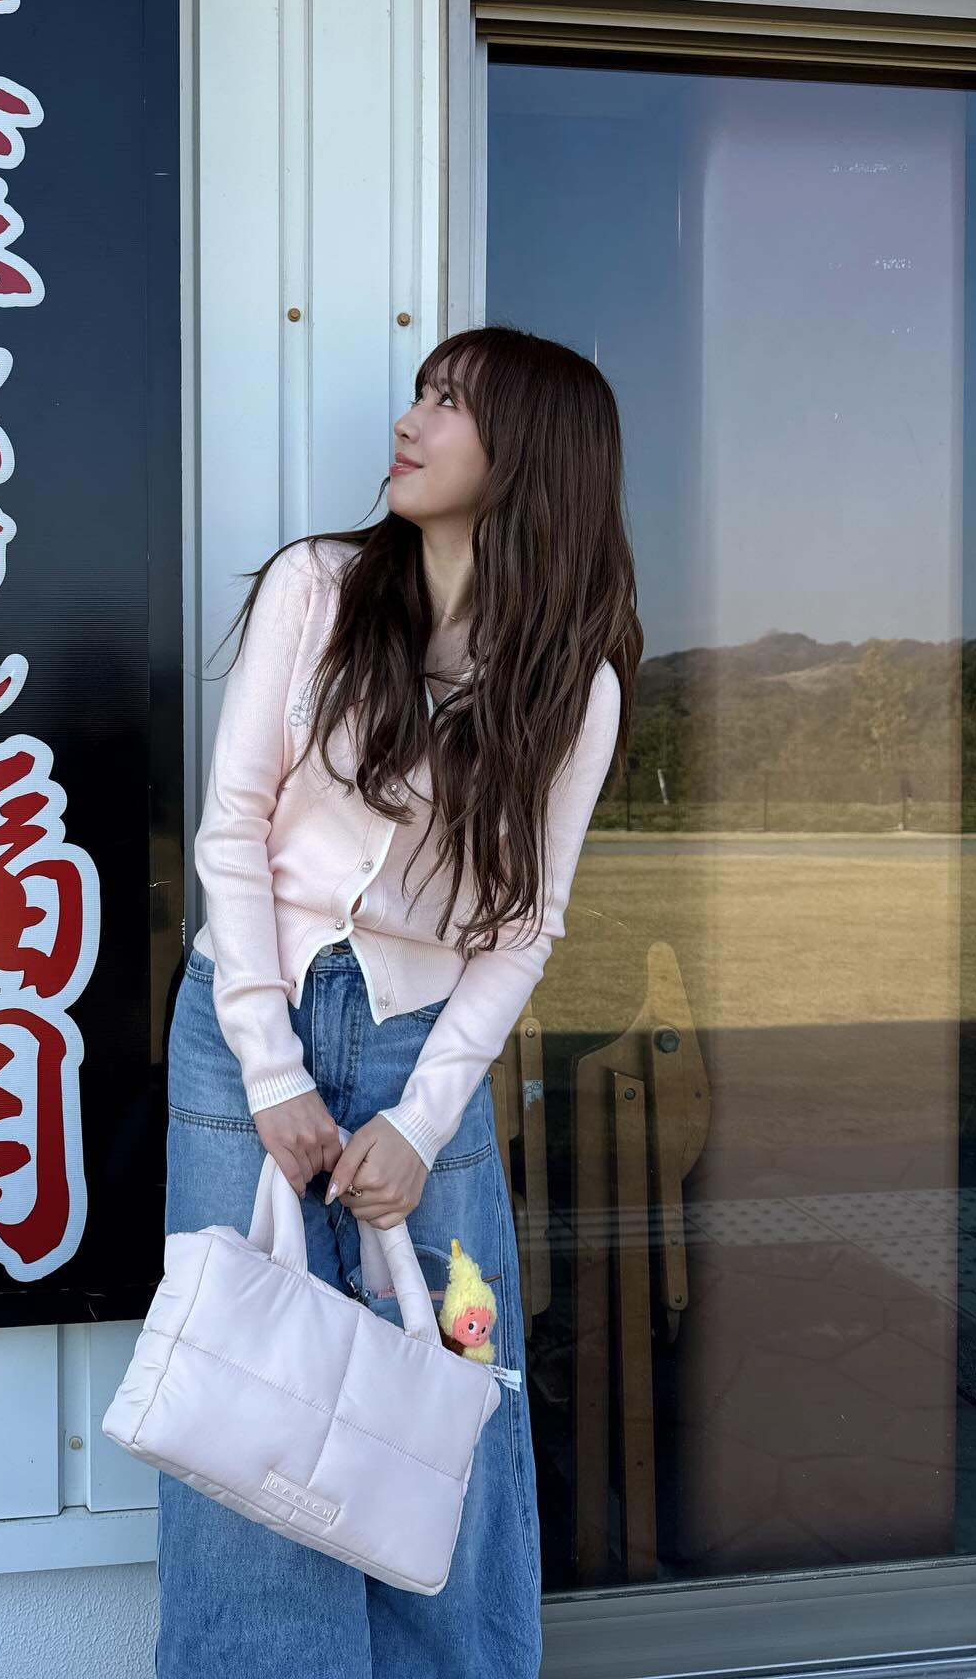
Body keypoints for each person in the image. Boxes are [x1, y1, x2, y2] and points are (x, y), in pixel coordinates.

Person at [155, 323, 642, 1678]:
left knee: (459, 1372)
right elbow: (232, 826)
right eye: (421, 392)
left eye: (451, 404)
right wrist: (269, 1068)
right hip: (241, 1032)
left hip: (425, 1060)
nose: (411, 420)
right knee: (244, 1389)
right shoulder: (317, 588)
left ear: (531, 458)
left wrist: (423, 1125)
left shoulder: (576, 688)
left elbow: (526, 932)